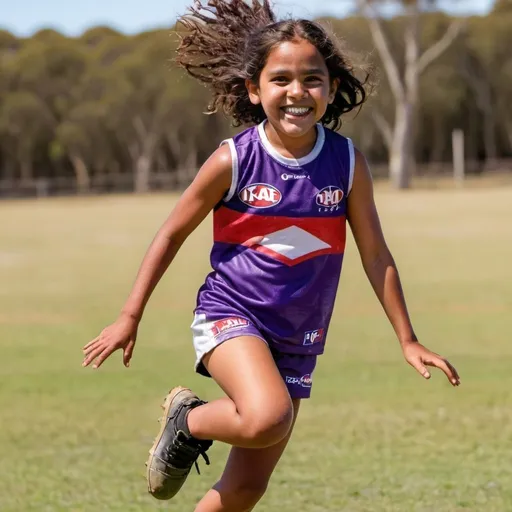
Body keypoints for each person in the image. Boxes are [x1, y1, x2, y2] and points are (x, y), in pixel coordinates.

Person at [82, 1, 461, 510]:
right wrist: (130, 315)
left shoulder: (346, 163)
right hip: (231, 316)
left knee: (244, 489)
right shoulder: (234, 159)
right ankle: (188, 420)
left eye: (312, 78)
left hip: (298, 334)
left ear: (331, 86)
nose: (297, 92)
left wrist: (408, 339)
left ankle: (195, 430)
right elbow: (170, 234)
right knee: (266, 418)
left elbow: (376, 254)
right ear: (255, 90)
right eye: (280, 79)